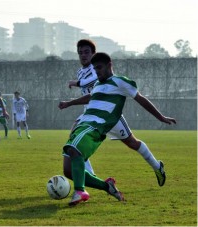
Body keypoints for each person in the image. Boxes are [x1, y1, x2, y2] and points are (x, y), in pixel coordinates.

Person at [63, 52, 176, 206]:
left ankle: (157, 167)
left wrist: (161, 117)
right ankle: (101, 184)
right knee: (71, 164)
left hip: (104, 122)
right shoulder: (97, 84)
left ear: (110, 65)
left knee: (132, 143)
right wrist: (70, 103)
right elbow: (91, 97)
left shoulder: (120, 82)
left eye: (100, 68)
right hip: (89, 121)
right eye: (95, 69)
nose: (97, 72)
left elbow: (140, 98)